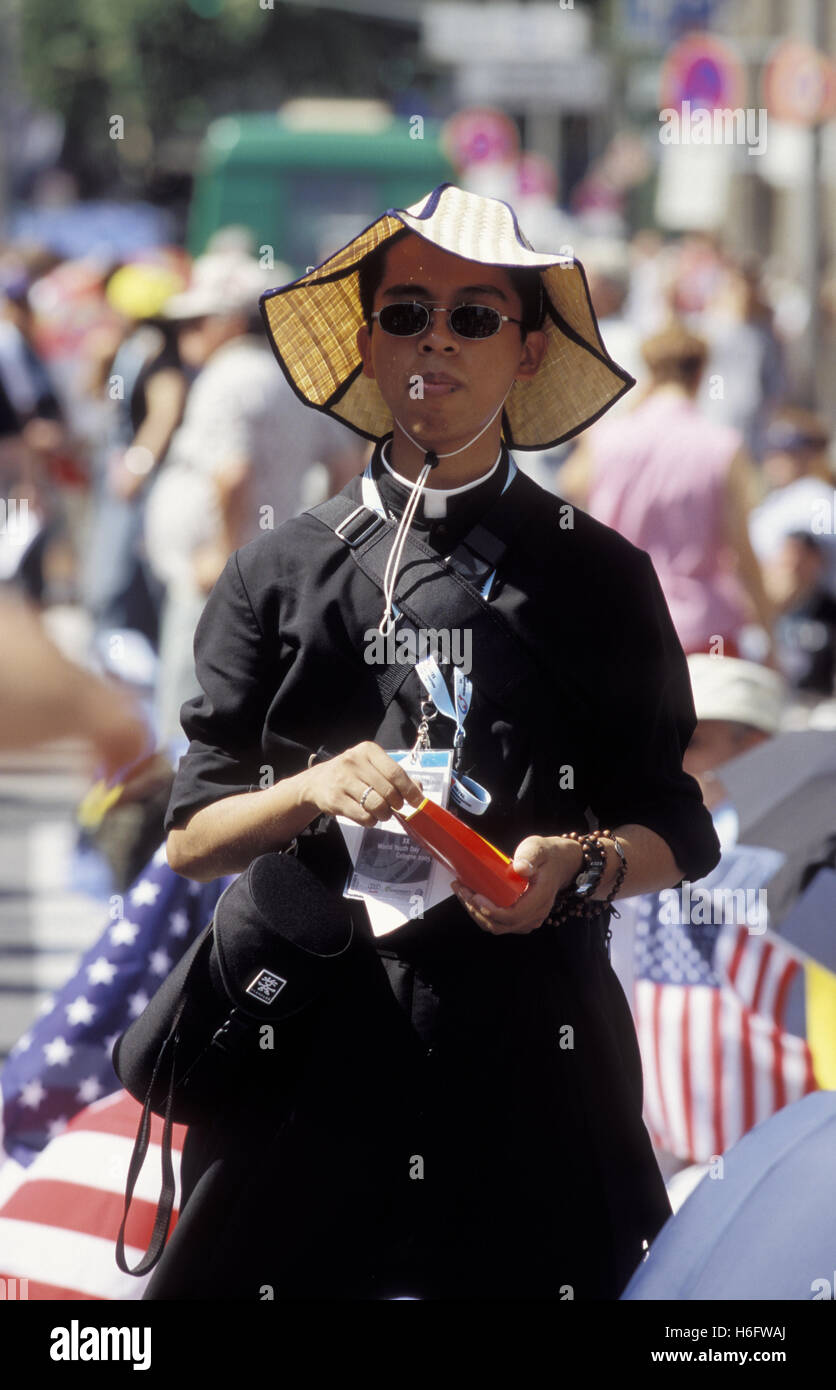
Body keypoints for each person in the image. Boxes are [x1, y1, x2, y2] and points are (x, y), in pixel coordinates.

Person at [145, 183, 721, 1301]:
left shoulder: (598, 579)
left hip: (531, 1068)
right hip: (306, 1061)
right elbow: (190, 837)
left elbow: (677, 828)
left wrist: (578, 865)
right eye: (405, 314)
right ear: (364, 342)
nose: (433, 342)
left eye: (471, 317)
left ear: (526, 348)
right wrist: (313, 786)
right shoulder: (278, 570)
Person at [568, 322, 775, 660]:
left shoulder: (608, 438)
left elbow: (572, 482)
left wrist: (635, 406)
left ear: (648, 372)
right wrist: (769, 634)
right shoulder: (722, 446)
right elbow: (742, 552)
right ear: (701, 373)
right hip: (703, 630)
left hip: (621, 621)